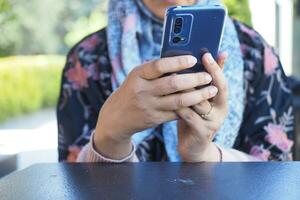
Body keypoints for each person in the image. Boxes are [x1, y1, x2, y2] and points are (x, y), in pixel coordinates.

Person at [57, 0, 294, 163]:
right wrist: (109, 138)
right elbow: (68, 184)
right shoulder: (87, 59)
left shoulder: (254, 53)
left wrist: (206, 155)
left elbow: (279, 175)